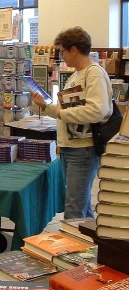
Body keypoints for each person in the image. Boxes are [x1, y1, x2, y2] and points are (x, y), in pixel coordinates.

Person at [32, 26, 113, 219]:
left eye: (62, 52)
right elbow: (65, 110)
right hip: (71, 147)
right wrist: (45, 106)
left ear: (74, 49)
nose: (62, 57)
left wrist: (60, 112)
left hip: (83, 150)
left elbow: (97, 110)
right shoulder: (77, 74)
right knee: (82, 207)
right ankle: (96, 247)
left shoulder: (94, 73)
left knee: (74, 210)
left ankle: (73, 248)